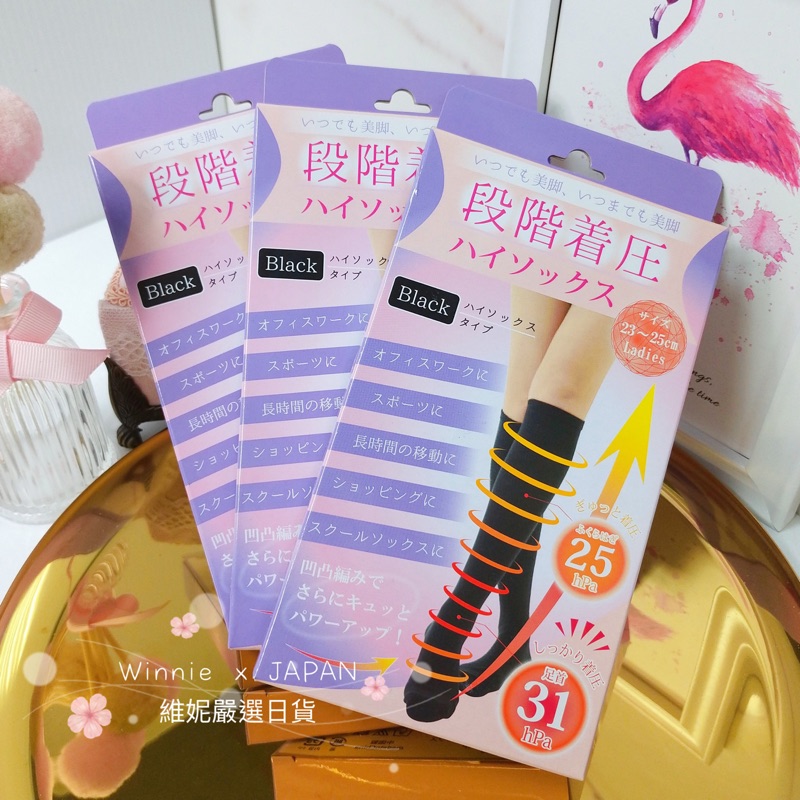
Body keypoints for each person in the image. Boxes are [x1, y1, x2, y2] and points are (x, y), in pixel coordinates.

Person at [404, 287, 614, 722]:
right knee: (521, 403)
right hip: (562, 240)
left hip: (654, 248)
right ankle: (513, 638)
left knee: (562, 389)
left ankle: (450, 627)